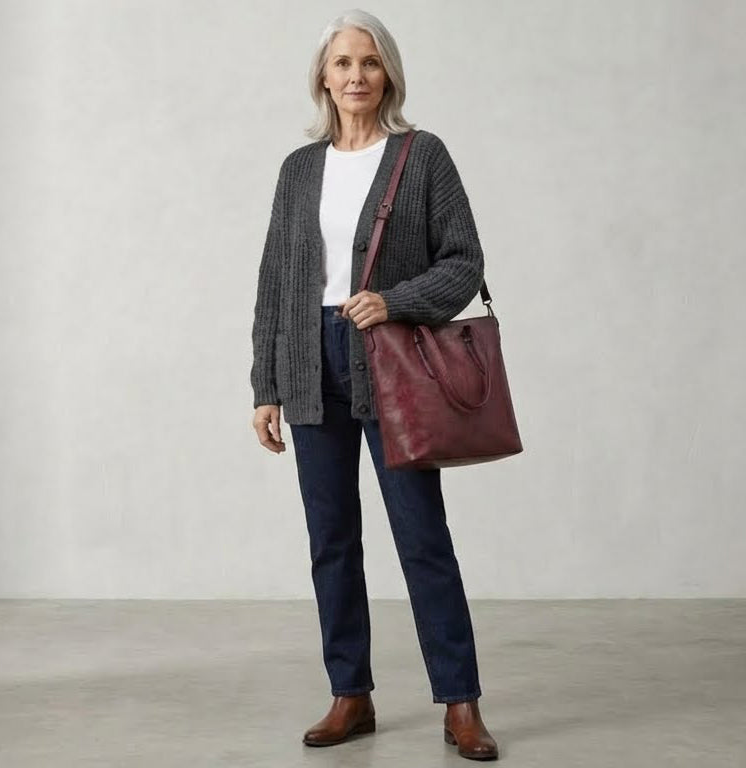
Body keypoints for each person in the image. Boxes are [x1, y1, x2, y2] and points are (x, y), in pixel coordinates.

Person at [249, 9, 499, 761]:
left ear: (388, 73)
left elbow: (464, 263)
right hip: (307, 365)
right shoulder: (299, 169)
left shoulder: (421, 157)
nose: (356, 75)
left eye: (369, 62)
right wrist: (265, 385)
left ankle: (460, 703)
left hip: (392, 367)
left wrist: (394, 301)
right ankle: (350, 694)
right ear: (323, 79)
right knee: (331, 540)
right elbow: (274, 282)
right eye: (342, 63)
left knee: (422, 537)